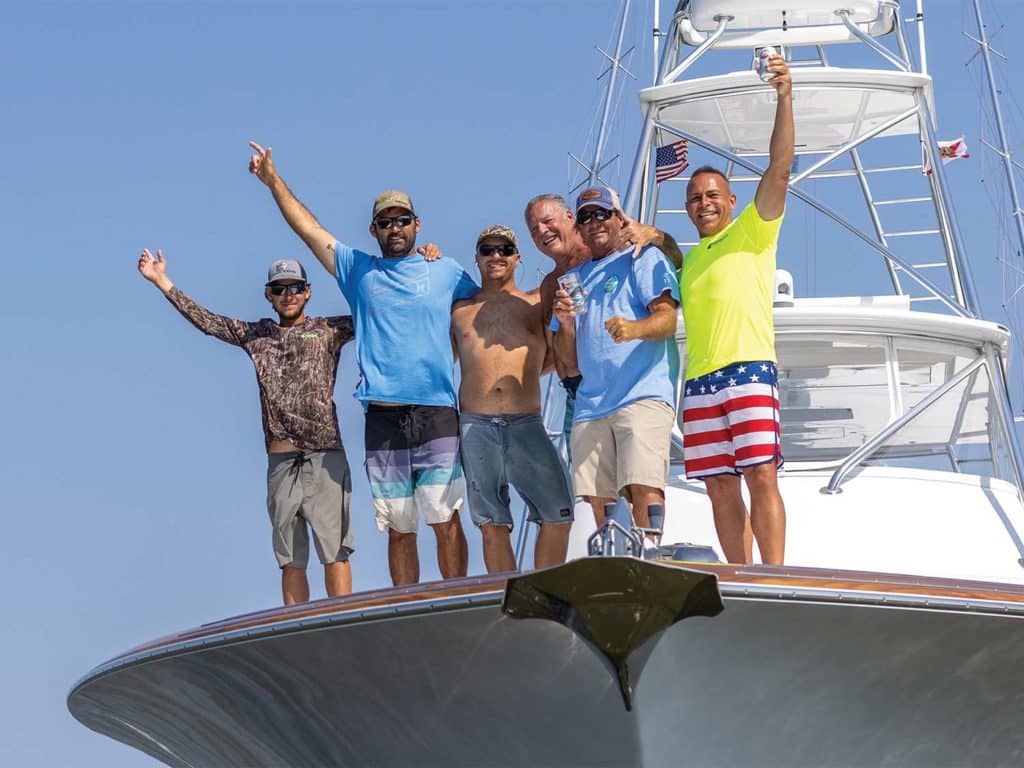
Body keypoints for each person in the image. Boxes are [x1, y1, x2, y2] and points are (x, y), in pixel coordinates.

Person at [248, 141, 477, 586]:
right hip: (383, 415)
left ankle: (455, 598)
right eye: (386, 222)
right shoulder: (359, 271)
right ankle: (409, 609)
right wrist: (273, 181)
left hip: (436, 409)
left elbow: (488, 308)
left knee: (444, 514)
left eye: (403, 220)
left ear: (417, 225)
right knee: (398, 524)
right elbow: (308, 230)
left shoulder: (446, 270)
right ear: (373, 230)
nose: (395, 228)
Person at [138, 250, 355, 605]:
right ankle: (299, 627)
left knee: (335, 551)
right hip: (282, 461)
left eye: (295, 287)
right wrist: (162, 281)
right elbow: (208, 322)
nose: (289, 295)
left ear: (308, 291)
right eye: (280, 289)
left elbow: (380, 310)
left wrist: (421, 264)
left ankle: (345, 624)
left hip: (325, 456)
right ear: (268, 294)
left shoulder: (329, 330)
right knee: (290, 559)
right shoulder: (257, 335)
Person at [672, 52, 793, 565]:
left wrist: (785, 94)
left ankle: (776, 575)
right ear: (687, 207)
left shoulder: (753, 230)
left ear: (730, 199)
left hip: (748, 372)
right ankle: (741, 575)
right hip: (699, 383)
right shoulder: (686, 261)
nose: (705, 203)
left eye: (713, 194)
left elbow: (781, 166)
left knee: (760, 472)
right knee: (719, 485)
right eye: (696, 197)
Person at [551, 186, 680, 532]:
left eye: (601, 214)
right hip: (591, 404)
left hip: (642, 395)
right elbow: (567, 362)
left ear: (617, 217)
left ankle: (651, 555)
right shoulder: (572, 281)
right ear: (578, 228)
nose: (594, 223)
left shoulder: (644, 257)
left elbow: (667, 319)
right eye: (585, 217)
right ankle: (617, 564)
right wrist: (564, 325)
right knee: (601, 501)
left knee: (643, 486)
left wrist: (634, 329)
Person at [452, 225, 574, 573]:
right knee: (492, 522)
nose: (496, 256)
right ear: (476, 257)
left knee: (558, 513)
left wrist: (529, 370)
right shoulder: (459, 311)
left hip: (526, 421)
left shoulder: (536, 303)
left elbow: (556, 352)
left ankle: (545, 590)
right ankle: (508, 596)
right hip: (476, 425)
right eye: (487, 249)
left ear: (517, 258)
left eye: (505, 250)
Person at [525, 194, 681, 457]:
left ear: (570, 219)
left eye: (547, 221)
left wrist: (655, 234)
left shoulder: (612, 249)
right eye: (534, 229)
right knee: (589, 494)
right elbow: (557, 349)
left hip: (628, 390)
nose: (542, 231)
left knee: (634, 485)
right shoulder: (552, 284)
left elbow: (676, 262)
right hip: (581, 400)